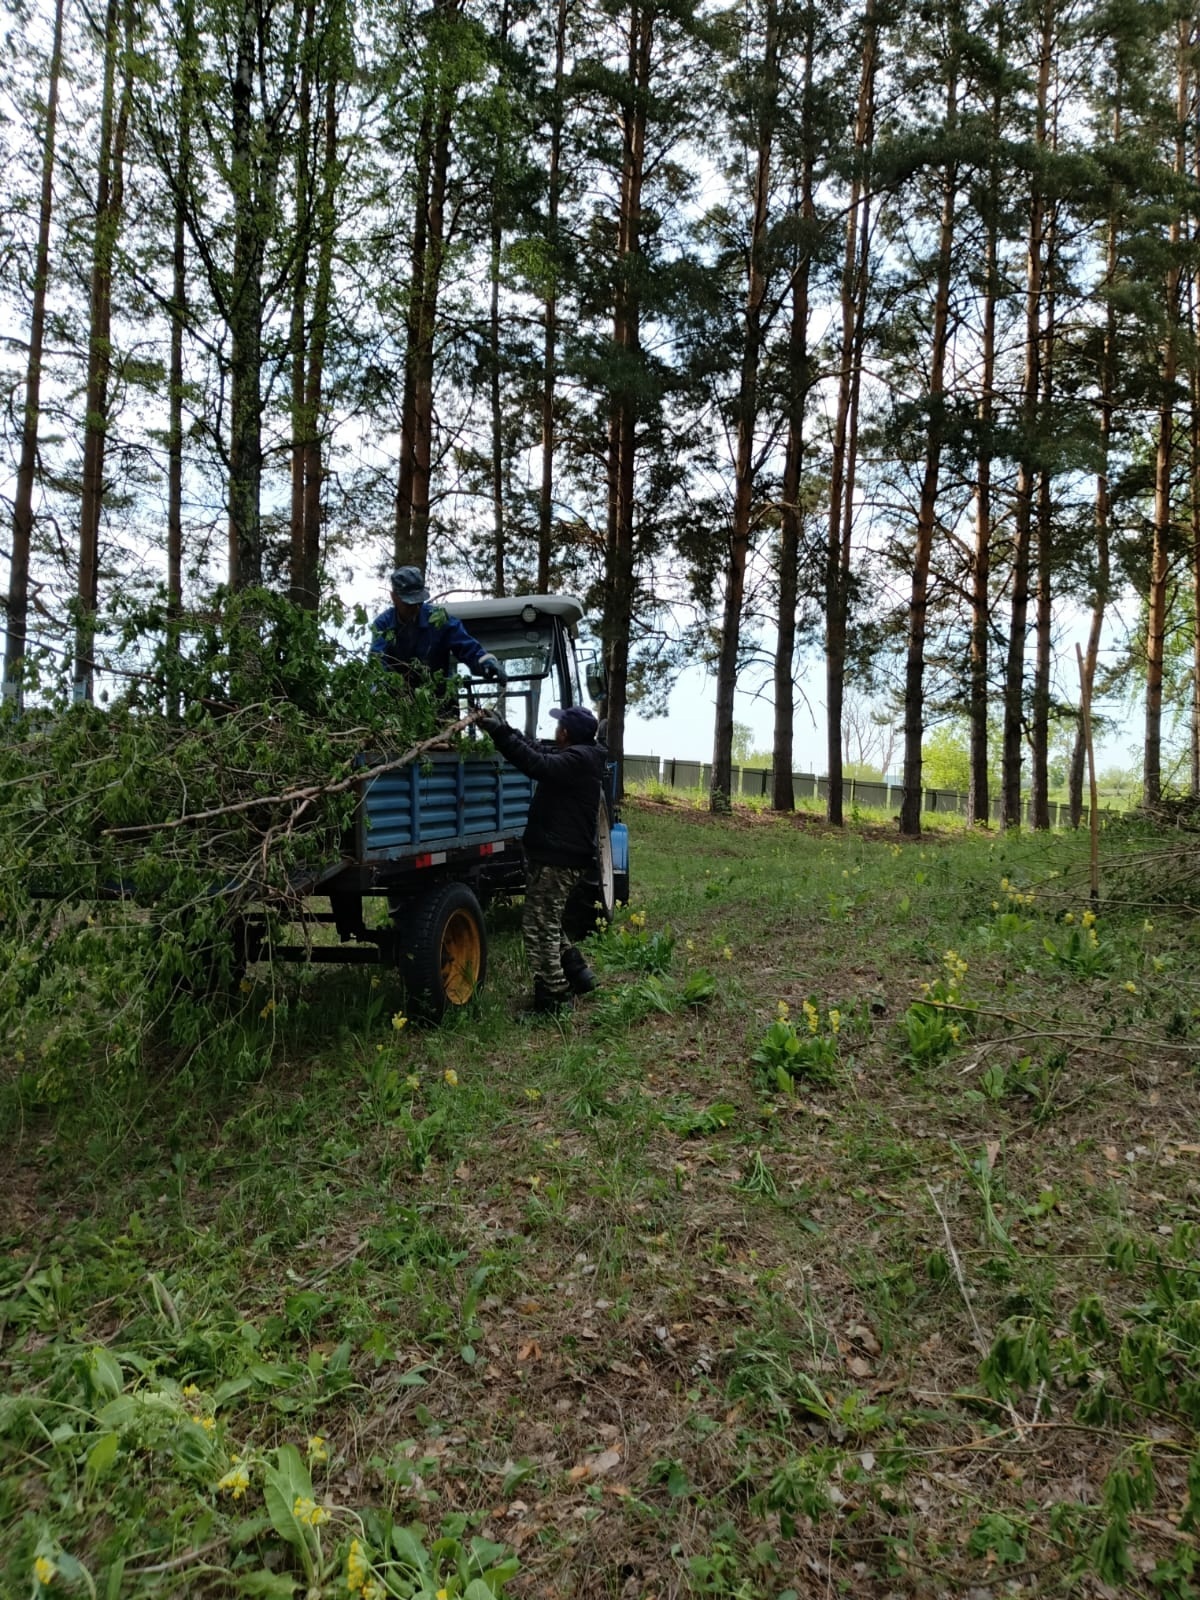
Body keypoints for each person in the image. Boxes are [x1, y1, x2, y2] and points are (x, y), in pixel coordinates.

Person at [476, 702, 605, 1014]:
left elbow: (536, 764)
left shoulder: (577, 760)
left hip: (559, 857)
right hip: (560, 854)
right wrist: (505, 729)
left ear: (566, 733)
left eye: (559, 725)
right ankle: (577, 972)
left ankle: (553, 997)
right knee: (547, 920)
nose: (555, 729)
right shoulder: (579, 756)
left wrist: (499, 735)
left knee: (538, 925)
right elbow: (536, 750)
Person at [370, 567, 505, 705]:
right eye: (409, 603)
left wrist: (485, 662)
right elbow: (377, 662)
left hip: (440, 703)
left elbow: (465, 646)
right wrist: (377, 690)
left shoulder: (439, 620)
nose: (415, 608)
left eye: (418, 602)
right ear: (394, 597)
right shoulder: (383, 625)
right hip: (400, 706)